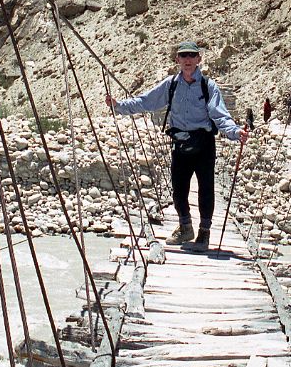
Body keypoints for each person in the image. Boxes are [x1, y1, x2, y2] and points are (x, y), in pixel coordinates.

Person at [105, 41, 248, 252]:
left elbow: (220, 116)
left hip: (204, 144)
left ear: (199, 59)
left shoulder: (208, 86)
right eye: (184, 56)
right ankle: (185, 227)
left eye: (192, 55)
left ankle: (204, 233)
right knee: (179, 190)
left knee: (205, 189)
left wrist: (236, 132)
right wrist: (118, 106)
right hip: (180, 143)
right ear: (177, 60)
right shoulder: (170, 85)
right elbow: (146, 102)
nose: (188, 60)